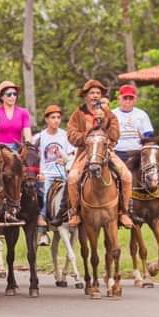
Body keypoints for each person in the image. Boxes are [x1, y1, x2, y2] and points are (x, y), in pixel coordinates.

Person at [65, 80, 134, 229]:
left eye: (98, 93)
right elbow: (71, 135)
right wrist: (88, 137)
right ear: (85, 96)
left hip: (106, 152)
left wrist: (105, 121)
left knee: (127, 176)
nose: (95, 96)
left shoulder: (109, 114)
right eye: (92, 93)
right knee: (72, 178)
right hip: (85, 153)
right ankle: (75, 212)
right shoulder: (78, 114)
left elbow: (115, 135)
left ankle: (124, 212)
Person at [113, 84, 159, 221]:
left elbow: (149, 137)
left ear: (135, 99)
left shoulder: (141, 115)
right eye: (125, 98)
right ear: (119, 99)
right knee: (113, 177)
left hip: (138, 155)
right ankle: (117, 208)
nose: (128, 101)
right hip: (118, 153)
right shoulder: (113, 114)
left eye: (130, 98)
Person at [36, 106, 74, 228]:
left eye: (58, 117)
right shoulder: (39, 137)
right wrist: (40, 173)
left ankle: (74, 215)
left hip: (63, 173)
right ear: (47, 119)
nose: (56, 120)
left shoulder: (65, 135)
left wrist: (65, 160)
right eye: (53, 117)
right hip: (46, 173)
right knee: (46, 193)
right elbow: (34, 157)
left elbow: (72, 154)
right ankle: (42, 218)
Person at [0, 80, 32, 150]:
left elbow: (27, 134)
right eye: (9, 94)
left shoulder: (23, 112)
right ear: (1, 97)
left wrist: (27, 145)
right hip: (0, 150)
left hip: (17, 149)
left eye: (15, 94)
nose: (12, 97)